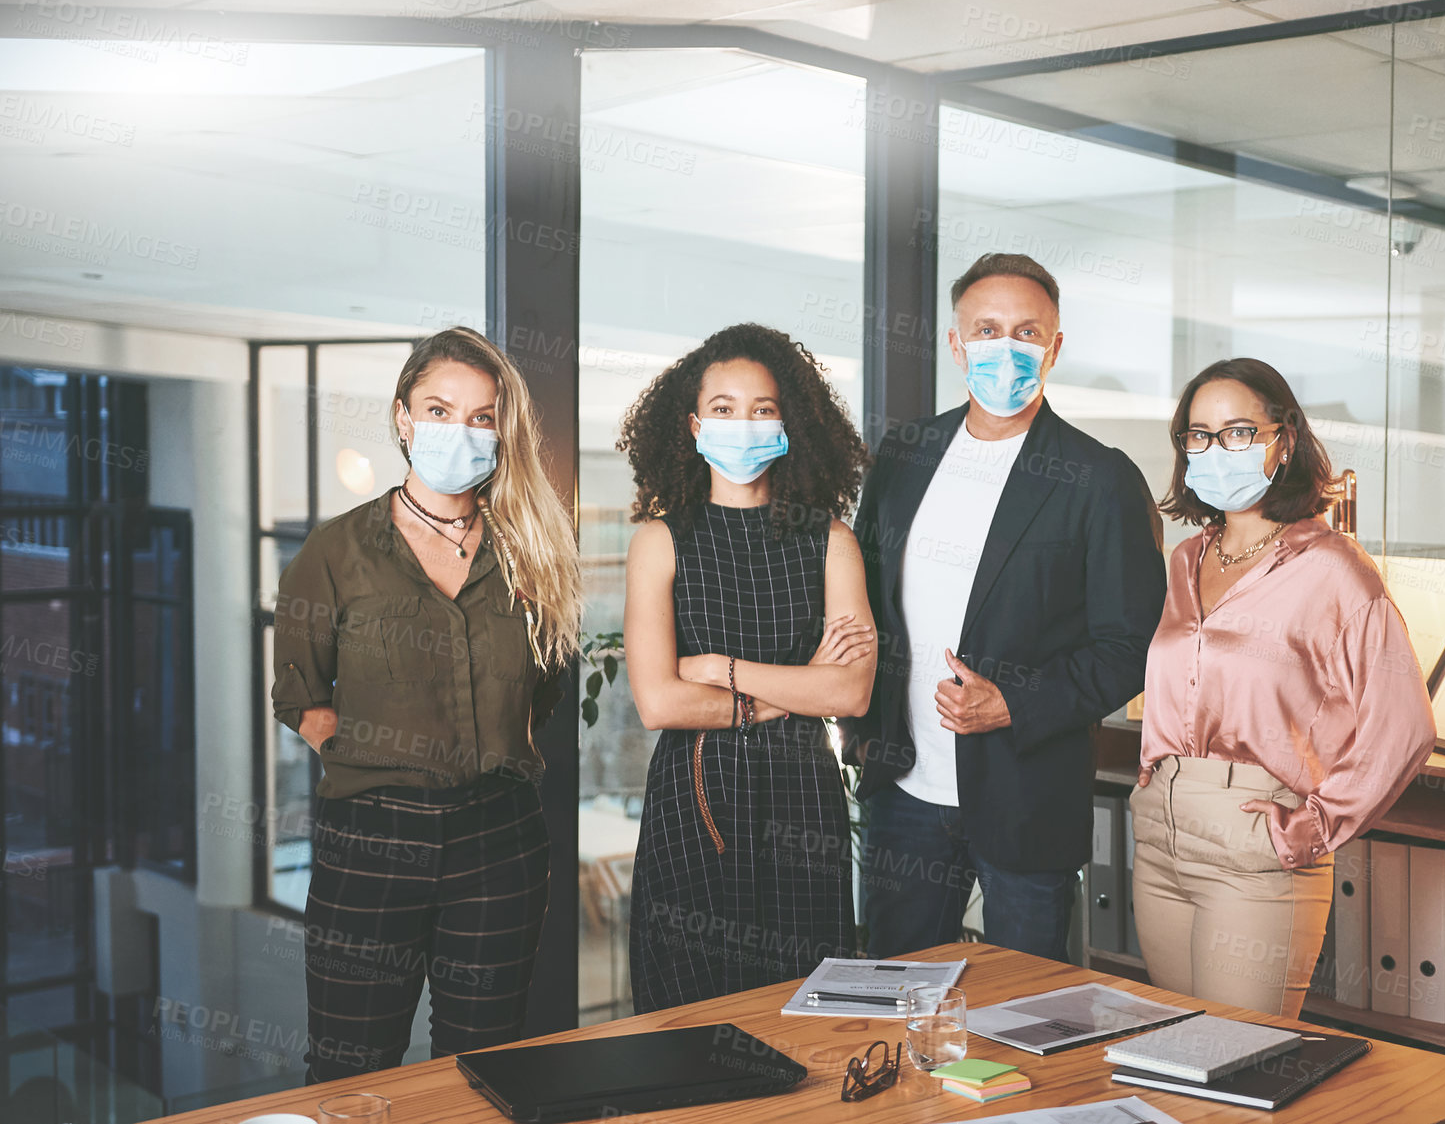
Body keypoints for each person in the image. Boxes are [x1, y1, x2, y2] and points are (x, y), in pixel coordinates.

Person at [271, 327, 582, 1081]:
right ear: (404, 419)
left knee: (485, 1068)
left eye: (481, 417)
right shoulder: (335, 551)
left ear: (501, 433)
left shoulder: (530, 551)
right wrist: (384, 754)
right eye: (440, 410)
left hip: (500, 841)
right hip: (372, 839)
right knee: (351, 1067)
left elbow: (545, 687)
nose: (460, 431)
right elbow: (301, 696)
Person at [844, 252, 1164, 963]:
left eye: (1026, 332)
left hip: (1027, 793)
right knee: (896, 997)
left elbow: (1130, 644)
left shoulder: (1098, 477)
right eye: (987, 330)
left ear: (1054, 347)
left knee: (1030, 1015)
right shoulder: (905, 454)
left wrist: (1013, 702)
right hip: (903, 792)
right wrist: (859, 728)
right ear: (957, 346)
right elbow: (862, 599)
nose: (1006, 348)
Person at [1131, 357, 1437, 1017]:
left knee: (1234, 1068)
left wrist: (1310, 828)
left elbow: (1404, 726)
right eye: (1199, 435)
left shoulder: (1332, 566)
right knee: (1174, 1058)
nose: (1217, 449)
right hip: (1161, 837)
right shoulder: (1188, 558)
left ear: (1284, 439)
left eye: (1239, 431)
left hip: (1255, 841)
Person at [619, 322, 876, 1012]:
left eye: (762, 408)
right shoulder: (658, 542)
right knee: (688, 1007)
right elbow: (660, 703)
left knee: (807, 1004)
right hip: (695, 793)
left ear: (791, 423)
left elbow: (849, 689)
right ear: (695, 424)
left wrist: (720, 667)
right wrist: (791, 691)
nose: (743, 424)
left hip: (803, 796)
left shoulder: (831, 540)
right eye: (725, 409)